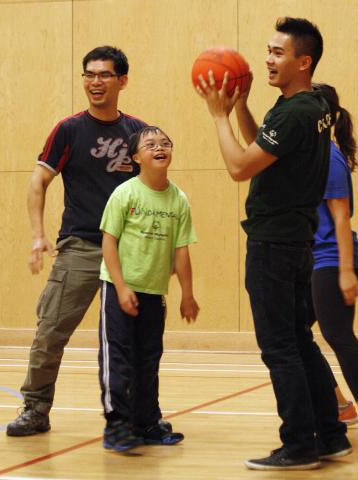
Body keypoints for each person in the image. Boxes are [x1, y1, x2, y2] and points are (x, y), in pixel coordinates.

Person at [195, 17, 352, 470]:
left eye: (278, 53)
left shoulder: (295, 112)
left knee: (279, 345)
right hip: (297, 241)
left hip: (274, 243)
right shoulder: (315, 104)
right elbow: (261, 149)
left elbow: (241, 167)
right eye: (267, 50)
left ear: (304, 62)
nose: (267, 58)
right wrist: (243, 105)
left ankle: (299, 444)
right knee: (300, 340)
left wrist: (219, 115)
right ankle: (332, 434)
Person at [6, 46, 150, 436]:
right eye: (89, 75)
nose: (95, 82)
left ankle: (134, 414)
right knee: (50, 330)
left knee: (130, 340)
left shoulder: (139, 133)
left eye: (104, 75)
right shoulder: (69, 129)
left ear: (122, 81)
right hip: (81, 248)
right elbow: (38, 181)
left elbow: (155, 190)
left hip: (129, 252)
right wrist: (37, 235)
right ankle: (35, 409)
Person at [98, 125, 199, 452]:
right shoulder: (125, 193)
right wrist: (122, 286)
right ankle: (117, 425)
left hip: (154, 294)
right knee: (120, 357)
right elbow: (108, 242)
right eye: (151, 143)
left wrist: (187, 293)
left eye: (165, 143)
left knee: (148, 358)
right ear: (136, 157)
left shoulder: (178, 199)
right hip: (119, 290)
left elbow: (181, 250)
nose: (160, 147)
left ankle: (145, 422)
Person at [311, 82, 358, 424]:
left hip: (331, 259)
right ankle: (339, 404)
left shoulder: (328, 156)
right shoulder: (310, 153)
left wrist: (345, 270)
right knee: (295, 335)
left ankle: (342, 405)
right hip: (313, 260)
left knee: (338, 336)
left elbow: (341, 216)